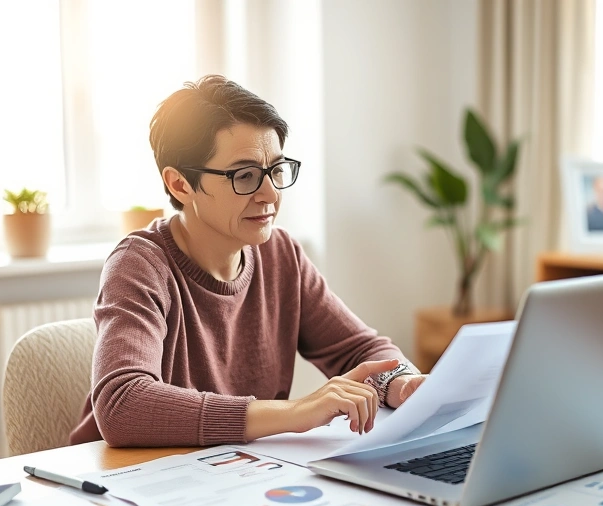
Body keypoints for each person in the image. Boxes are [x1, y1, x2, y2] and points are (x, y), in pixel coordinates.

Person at [69, 75, 428, 448]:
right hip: (124, 482)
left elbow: (361, 350)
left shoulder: (280, 255)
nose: (270, 194)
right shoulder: (139, 265)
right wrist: (294, 412)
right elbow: (123, 405)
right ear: (179, 184)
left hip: (233, 476)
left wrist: (401, 384)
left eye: (276, 170)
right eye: (245, 175)